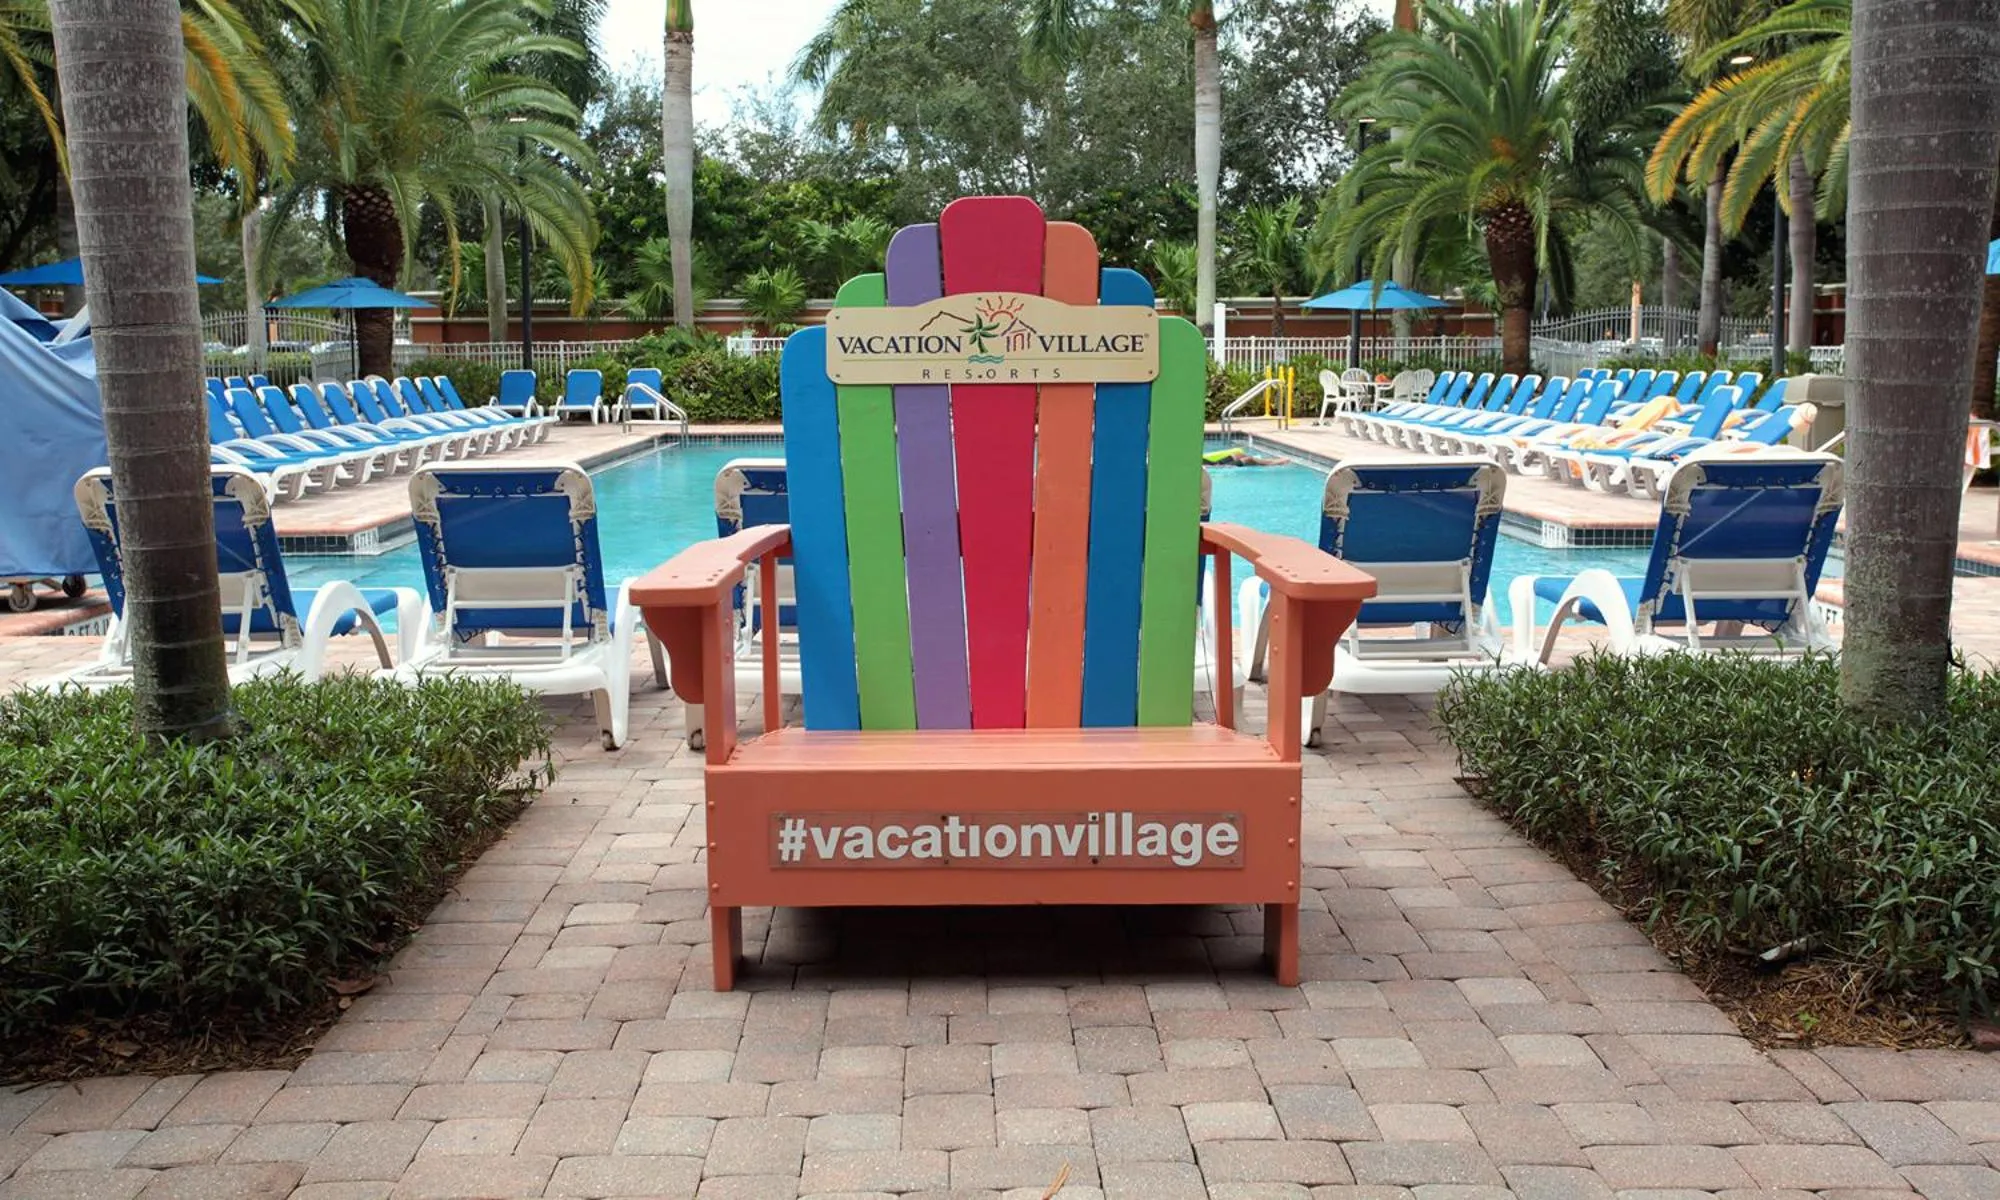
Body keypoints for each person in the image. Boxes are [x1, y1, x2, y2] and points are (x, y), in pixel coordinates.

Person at [1203, 447, 1285, 467]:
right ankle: (1273, 463)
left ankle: (1260, 461)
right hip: (1218, 467)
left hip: (1215, 463)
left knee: (1238, 454)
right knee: (1248, 459)